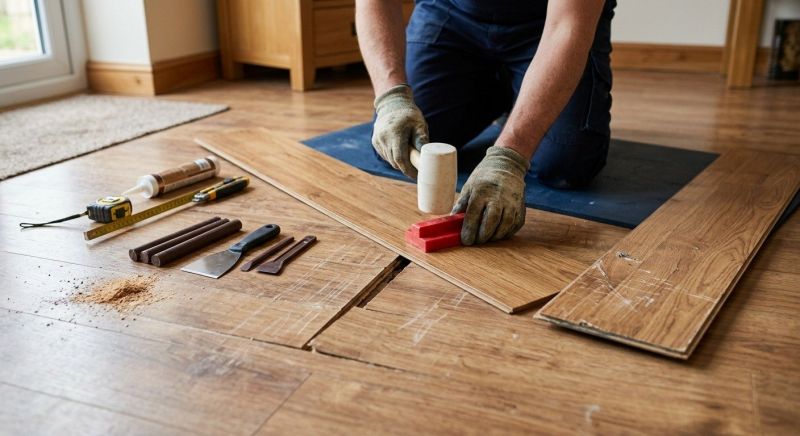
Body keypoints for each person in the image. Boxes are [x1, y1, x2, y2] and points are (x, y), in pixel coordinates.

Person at [358, 0, 615, 245]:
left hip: (550, 24)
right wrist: (391, 98)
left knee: (564, 165)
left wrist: (510, 156)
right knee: (400, 141)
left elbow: (567, 27)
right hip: (452, 13)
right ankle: (508, 91)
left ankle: (524, 94)